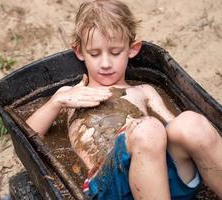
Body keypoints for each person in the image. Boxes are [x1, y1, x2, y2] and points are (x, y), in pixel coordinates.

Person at [26, 0, 222, 199]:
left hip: (159, 178)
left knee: (192, 122)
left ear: (132, 49)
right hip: (110, 186)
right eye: (94, 54)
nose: (105, 63)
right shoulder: (72, 94)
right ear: (79, 52)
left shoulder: (144, 91)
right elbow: (27, 137)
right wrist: (57, 101)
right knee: (147, 129)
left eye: (115, 52)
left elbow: (174, 129)